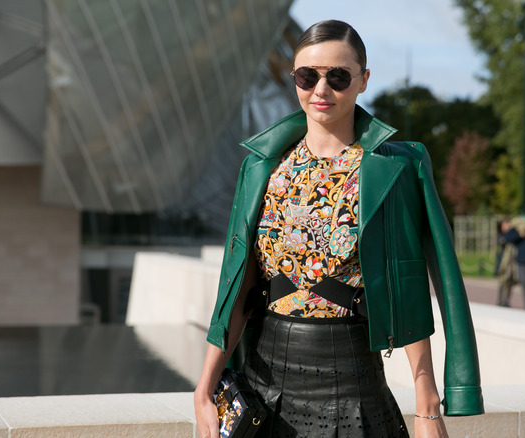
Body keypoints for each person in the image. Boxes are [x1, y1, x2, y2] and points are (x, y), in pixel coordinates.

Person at [193, 20, 483, 438]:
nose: (321, 90)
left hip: (352, 384)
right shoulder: (261, 169)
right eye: (307, 76)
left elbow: (409, 286)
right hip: (262, 383)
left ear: (364, 81)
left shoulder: (393, 170)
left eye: (339, 76)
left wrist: (428, 406)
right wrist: (205, 389)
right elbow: (237, 286)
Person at [494, 216, 525, 307]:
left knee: (509, 282)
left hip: (512, 262)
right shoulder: (502, 236)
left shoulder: (512, 234)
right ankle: (500, 299)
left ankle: (506, 300)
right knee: (502, 281)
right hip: (504, 262)